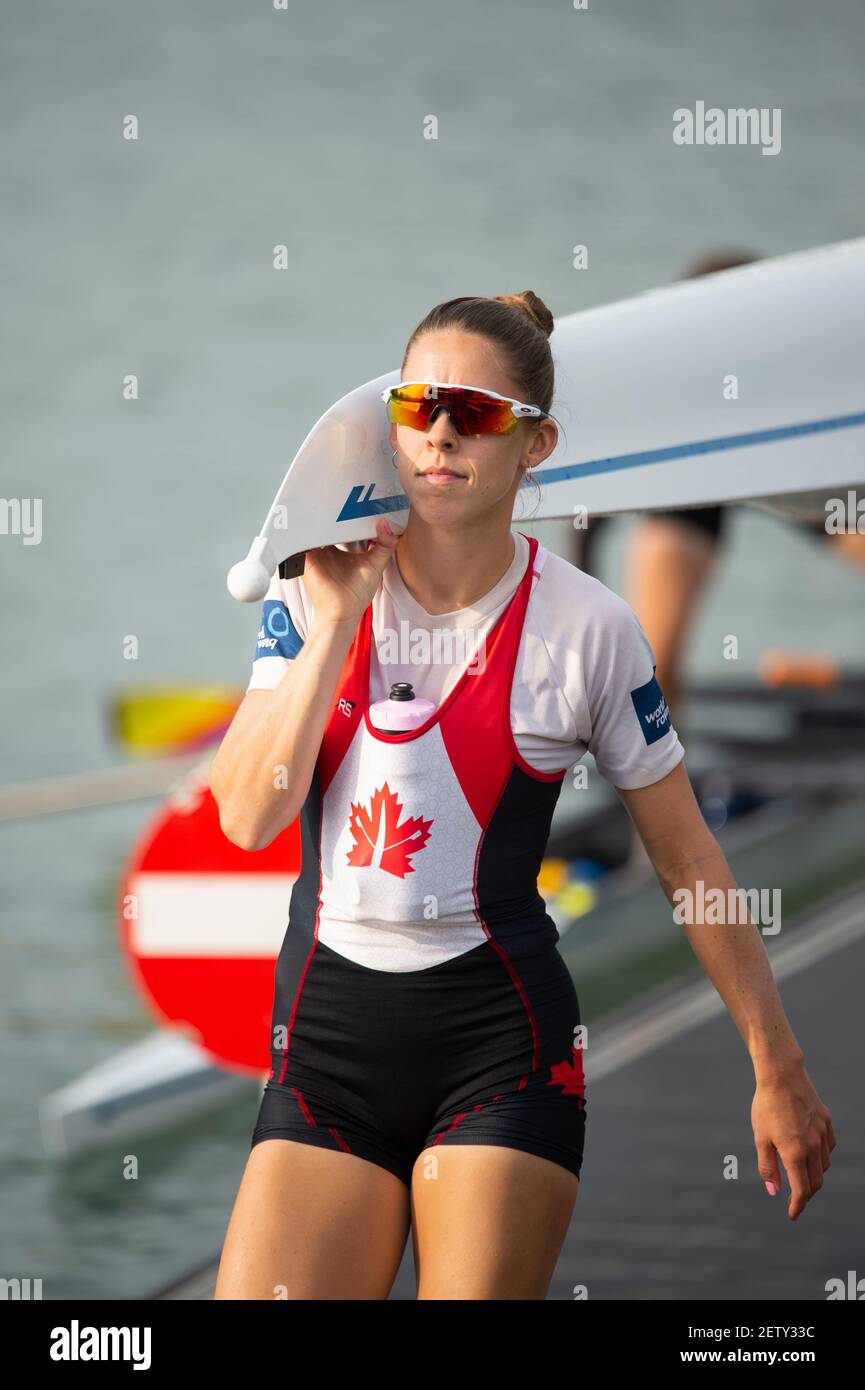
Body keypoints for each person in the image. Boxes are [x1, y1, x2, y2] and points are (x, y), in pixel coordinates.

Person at [209, 291, 835, 1300]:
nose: (444, 431)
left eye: (480, 412)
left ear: (534, 443)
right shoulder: (308, 583)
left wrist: (777, 1063)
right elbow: (245, 818)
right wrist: (332, 623)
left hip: (498, 1055)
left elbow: (688, 861)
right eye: (420, 405)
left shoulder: (587, 628)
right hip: (323, 1049)